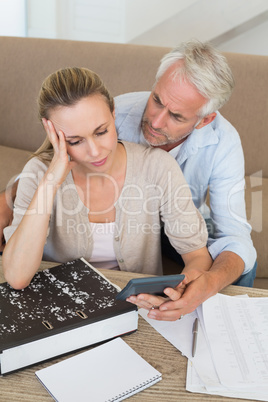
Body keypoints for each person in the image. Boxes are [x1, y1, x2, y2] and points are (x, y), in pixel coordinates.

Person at [2, 67, 212, 322]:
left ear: (113, 112)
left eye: (101, 131)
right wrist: (51, 182)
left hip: (139, 313)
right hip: (61, 314)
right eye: (75, 141)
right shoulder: (38, 174)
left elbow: (197, 256)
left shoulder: (157, 166)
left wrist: (179, 292)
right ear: (53, 134)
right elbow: (17, 276)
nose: (95, 151)